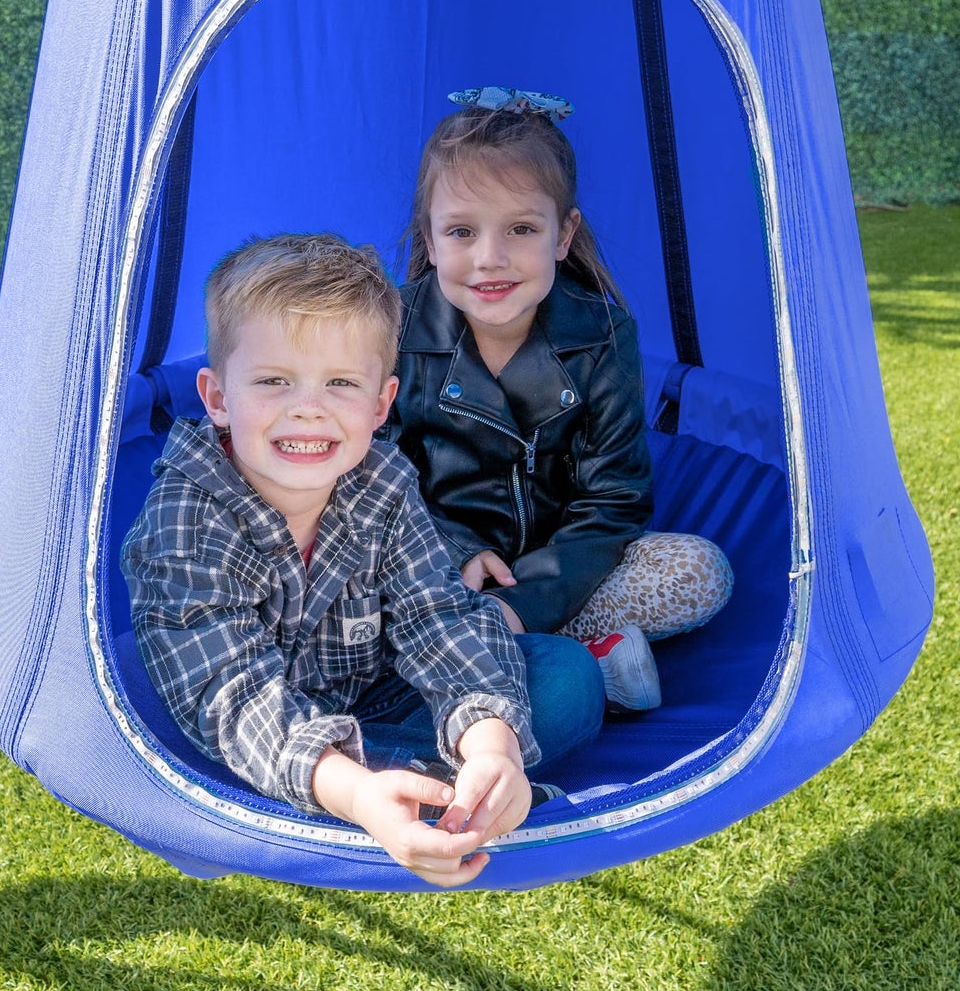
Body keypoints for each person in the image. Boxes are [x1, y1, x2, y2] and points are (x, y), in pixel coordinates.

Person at [121, 232, 603, 888]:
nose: (308, 409)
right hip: (237, 724)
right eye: (273, 381)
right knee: (169, 730)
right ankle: (374, 799)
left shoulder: (383, 481)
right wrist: (351, 788)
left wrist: (492, 743)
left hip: (368, 699)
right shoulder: (187, 522)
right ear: (218, 397)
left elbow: (439, 619)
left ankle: (422, 790)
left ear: (380, 404)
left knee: (568, 680)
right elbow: (232, 699)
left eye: (340, 383)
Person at [386, 88, 734, 712]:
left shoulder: (602, 335)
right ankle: (580, 666)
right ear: (430, 241)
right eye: (461, 231)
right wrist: (457, 552)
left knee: (697, 573)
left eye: (521, 229)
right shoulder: (390, 330)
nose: (490, 259)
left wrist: (525, 602)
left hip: (561, 573)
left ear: (562, 234)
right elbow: (371, 476)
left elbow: (615, 499)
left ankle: (511, 650)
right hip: (427, 564)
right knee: (335, 580)